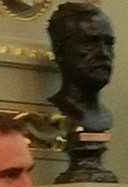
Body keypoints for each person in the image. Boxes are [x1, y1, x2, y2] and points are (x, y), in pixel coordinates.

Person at [47, 2, 115, 132]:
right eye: (89, 44)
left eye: (109, 44)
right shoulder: (60, 111)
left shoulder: (105, 116)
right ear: (60, 51)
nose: (104, 53)